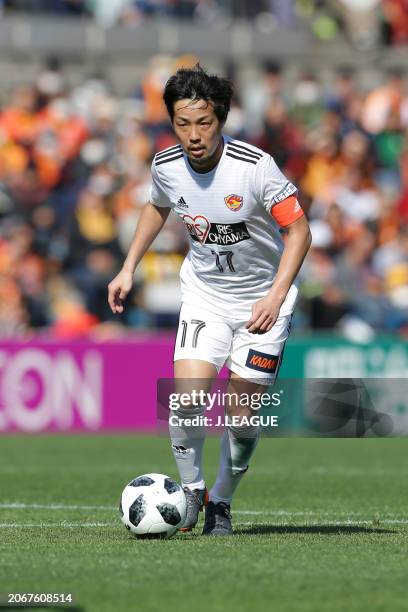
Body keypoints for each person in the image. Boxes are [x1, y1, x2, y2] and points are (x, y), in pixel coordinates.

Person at [108, 64, 311, 536]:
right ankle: (193, 490)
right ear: (171, 122)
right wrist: (127, 267)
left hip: (264, 303)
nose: (194, 135)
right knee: (186, 401)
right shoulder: (166, 166)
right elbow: (156, 206)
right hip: (205, 297)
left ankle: (222, 498)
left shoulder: (254, 166)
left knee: (241, 419)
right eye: (183, 123)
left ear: (220, 119)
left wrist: (276, 296)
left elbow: (298, 230)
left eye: (204, 123)